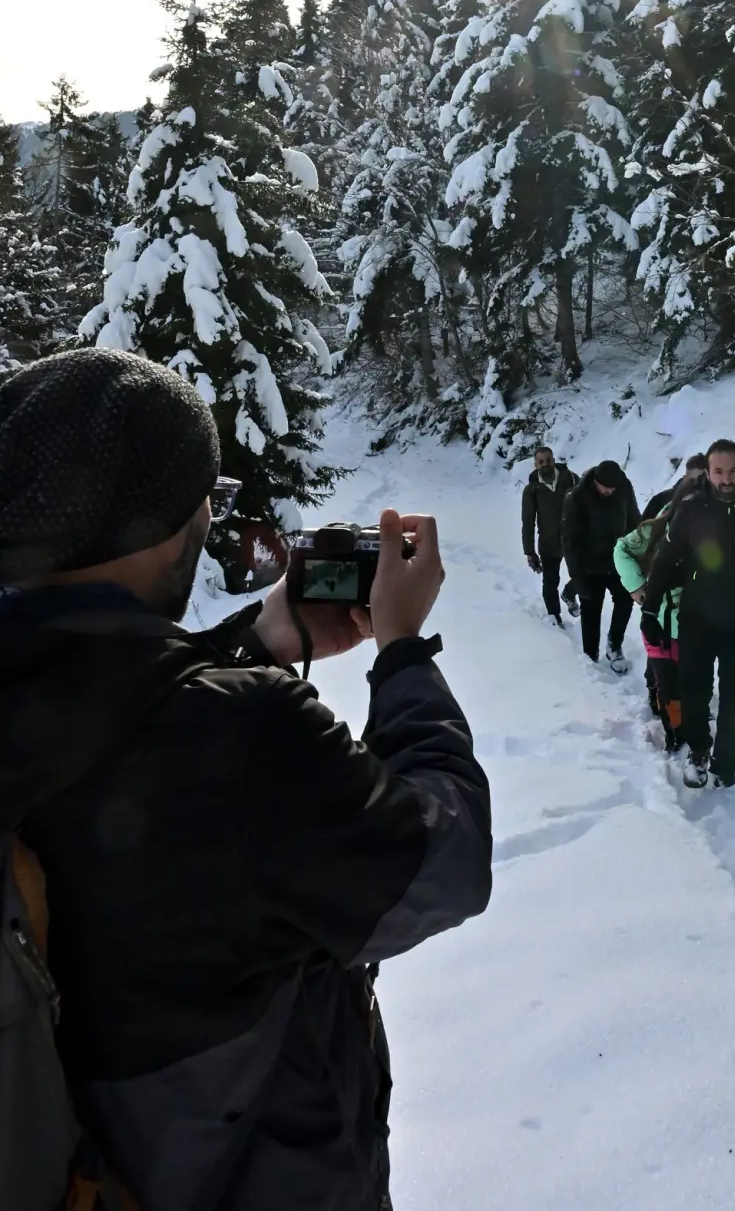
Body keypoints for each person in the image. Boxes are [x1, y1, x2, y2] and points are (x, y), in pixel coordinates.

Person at [0, 348, 492, 1211]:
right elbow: (442, 862)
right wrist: (404, 653)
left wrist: (252, 641)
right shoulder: (245, 735)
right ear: (157, 525)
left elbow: (106, 708)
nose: (208, 518)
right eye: (206, 499)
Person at [645, 437, 735, 790]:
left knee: (734, 696)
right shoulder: (691, 509)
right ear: (708, 473)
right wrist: (651, 608)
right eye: (719, 472)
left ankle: (727, 762)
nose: (727, 479)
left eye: (733, 471)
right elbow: (665, 561)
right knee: (694, 690)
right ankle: (698, 751)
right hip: (696, 617)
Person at [613, 470, 703, 753]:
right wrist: (637, 585)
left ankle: (683, 722)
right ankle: (675, 731)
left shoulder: (714, 533)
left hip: (695, 625)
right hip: (658, 620)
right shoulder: (655, 529)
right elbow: (622, 549)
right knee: (668, 686)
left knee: (689, 683)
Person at [560, 459, 640, 674]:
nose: (610, 491)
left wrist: (639, 554)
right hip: (590, 565)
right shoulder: (577, 497)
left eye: (613, 487)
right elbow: (570, 541)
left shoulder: (624, 488)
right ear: (596, 481)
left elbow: (634, 520)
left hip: (618, 561)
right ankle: (590, 658)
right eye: (606, 487)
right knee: (591, 609)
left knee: (625, 601)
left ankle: (614, 646)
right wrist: (577, 577)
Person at [521, 445, 578, 625]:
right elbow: (528, 521)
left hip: (573, 538)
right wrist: (529, 551)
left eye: (548, 460)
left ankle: (569, 593)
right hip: (549, 542)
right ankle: (555, 616)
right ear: (535, 465)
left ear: (554, 460)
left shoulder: (570, 478)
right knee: (550, 581)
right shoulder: (532, 489)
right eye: (541, 462)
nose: (545, 464)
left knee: (584, 573)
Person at [639, 452, 708, 522]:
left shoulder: (708, 505)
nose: (693, 484)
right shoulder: (662, 500)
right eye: (690, 479)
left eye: (698, 480)